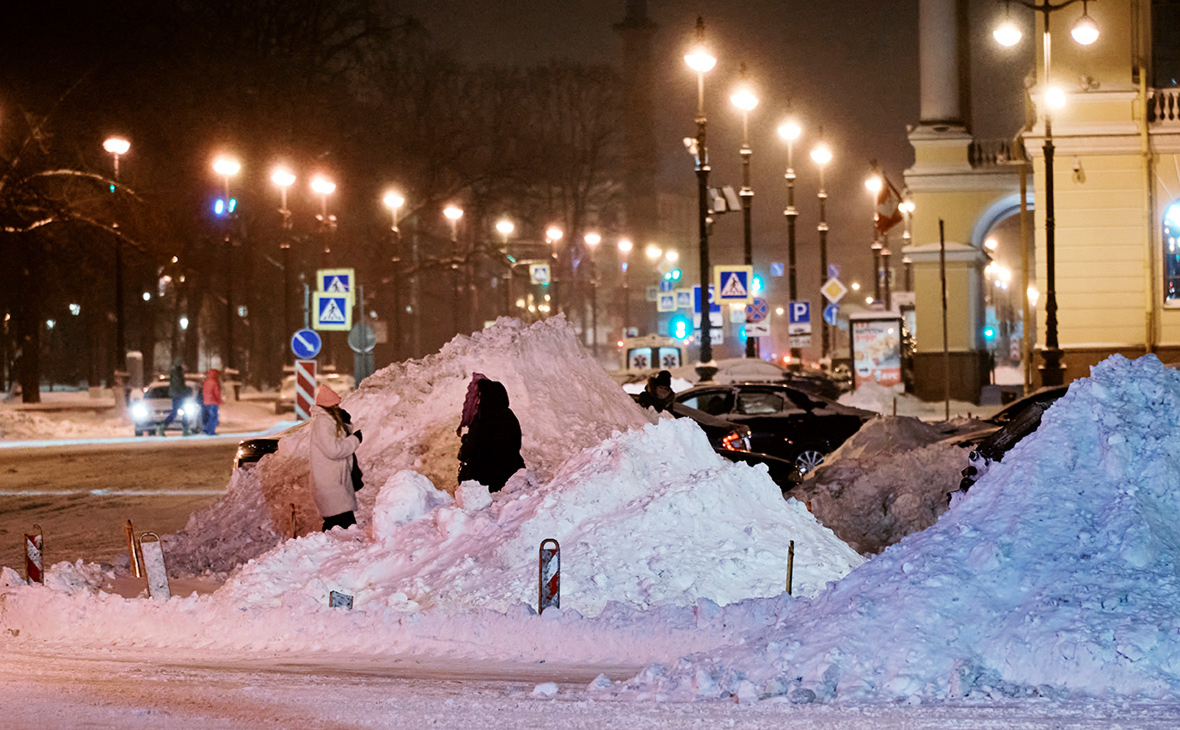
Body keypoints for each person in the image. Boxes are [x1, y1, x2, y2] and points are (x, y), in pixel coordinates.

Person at [309, 384, 363, 531]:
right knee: (341, 526)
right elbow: (334, 450)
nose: (339, 407)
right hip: (331, 486)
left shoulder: (328, 421)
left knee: (339, 526)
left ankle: (330, 550)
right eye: (336, 405)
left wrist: (347, 425)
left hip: (335, 483)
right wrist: (355, 440)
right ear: (330, 406)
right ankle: (327, 551)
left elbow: (338, 438)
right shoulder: (323, 423)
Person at [457, 378, 525, 493]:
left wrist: (463, 451)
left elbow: (469, 448)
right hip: (511, 471)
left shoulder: (482, 420)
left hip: (486, 477)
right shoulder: (509, 416)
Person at [161, 363, 187, 430]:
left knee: (175, 412)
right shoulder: (178, 376)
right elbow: (180, 387)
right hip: (179, 396)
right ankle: (185, 429)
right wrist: (184, 393)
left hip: (176, 396)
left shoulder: (174, 375)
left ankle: (163, 426)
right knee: (184, 412)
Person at [201, 368, 222, 435]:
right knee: (213, 417)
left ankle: (206, 429)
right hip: (213, 402)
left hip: (206, 401)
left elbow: (204, 391)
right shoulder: (215, 382)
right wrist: (219, 400)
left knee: (209, 416)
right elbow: (216, 393)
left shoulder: (206, 382)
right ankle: (210, 431)